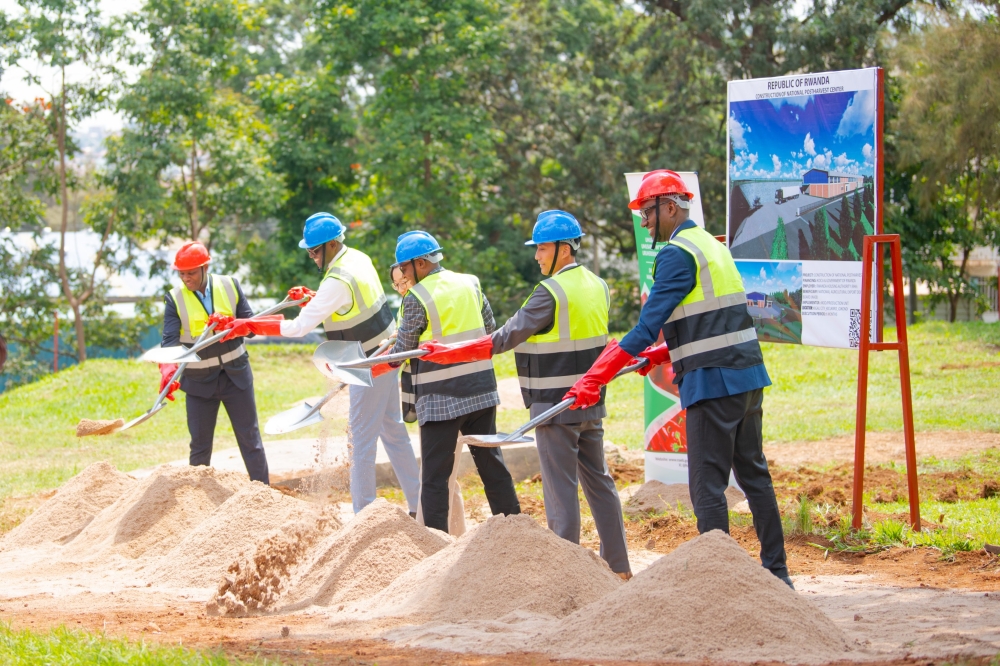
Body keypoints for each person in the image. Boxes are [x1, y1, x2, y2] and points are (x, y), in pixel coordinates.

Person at [562, 170, 792, 588]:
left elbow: (645, 327)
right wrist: (662, 353)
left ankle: (717, 584)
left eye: (648, 213)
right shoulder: (711, 246)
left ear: (670, 206)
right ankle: (777, 574)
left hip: (712, 383)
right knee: (755, 476)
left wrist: (595, 376)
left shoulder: (675, 253)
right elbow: (714, 319)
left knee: (706, 486)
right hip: (747, 377)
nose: (645, 222)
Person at [413, 211, 632, 578]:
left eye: (542, 248)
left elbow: (502, 338)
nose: (537, 256)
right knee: (600, 484)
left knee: (561, 493)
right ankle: (620, 567)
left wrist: (448, 352)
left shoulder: (550, 292)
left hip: (555, 407)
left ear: (565, 249)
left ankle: (566, 574)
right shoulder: (598, 285)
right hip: (592, 403)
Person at [219, 213, 420, 515]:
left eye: (313, 250)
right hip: (388, 355)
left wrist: (250, 326)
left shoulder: (337, 279)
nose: (311, 257)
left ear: (329, 245)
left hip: (368, 366)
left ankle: (363, 515)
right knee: (393, 433)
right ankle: (421, 504)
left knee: (360, 444)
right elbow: (347, 303)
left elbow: (298, 327)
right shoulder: (357, 258)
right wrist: (315, 299)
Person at [379, 230, 521, 534]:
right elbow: (490, 328)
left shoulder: (417, 296)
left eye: (404, 268)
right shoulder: (469, 282)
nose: (403, 275)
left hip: (441, 397)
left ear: (419, 264)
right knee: (491, 464)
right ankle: (516, 531)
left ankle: (435, 544)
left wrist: (380, 364)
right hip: (481, 390)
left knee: (434, 477)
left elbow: (404, 350)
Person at [160, 241, 270, 484]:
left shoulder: (230, 285)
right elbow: (169, 343)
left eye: (191, 273)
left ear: (205, 268)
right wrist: (167, 371)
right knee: (199, 447)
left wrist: (232, 325)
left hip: (236, 377)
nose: (186, 278)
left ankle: (264, 496)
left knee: (250, 440)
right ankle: (197, 502)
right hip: (199, 384)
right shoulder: (174, 299)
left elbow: (251, 327)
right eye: (182, 273)